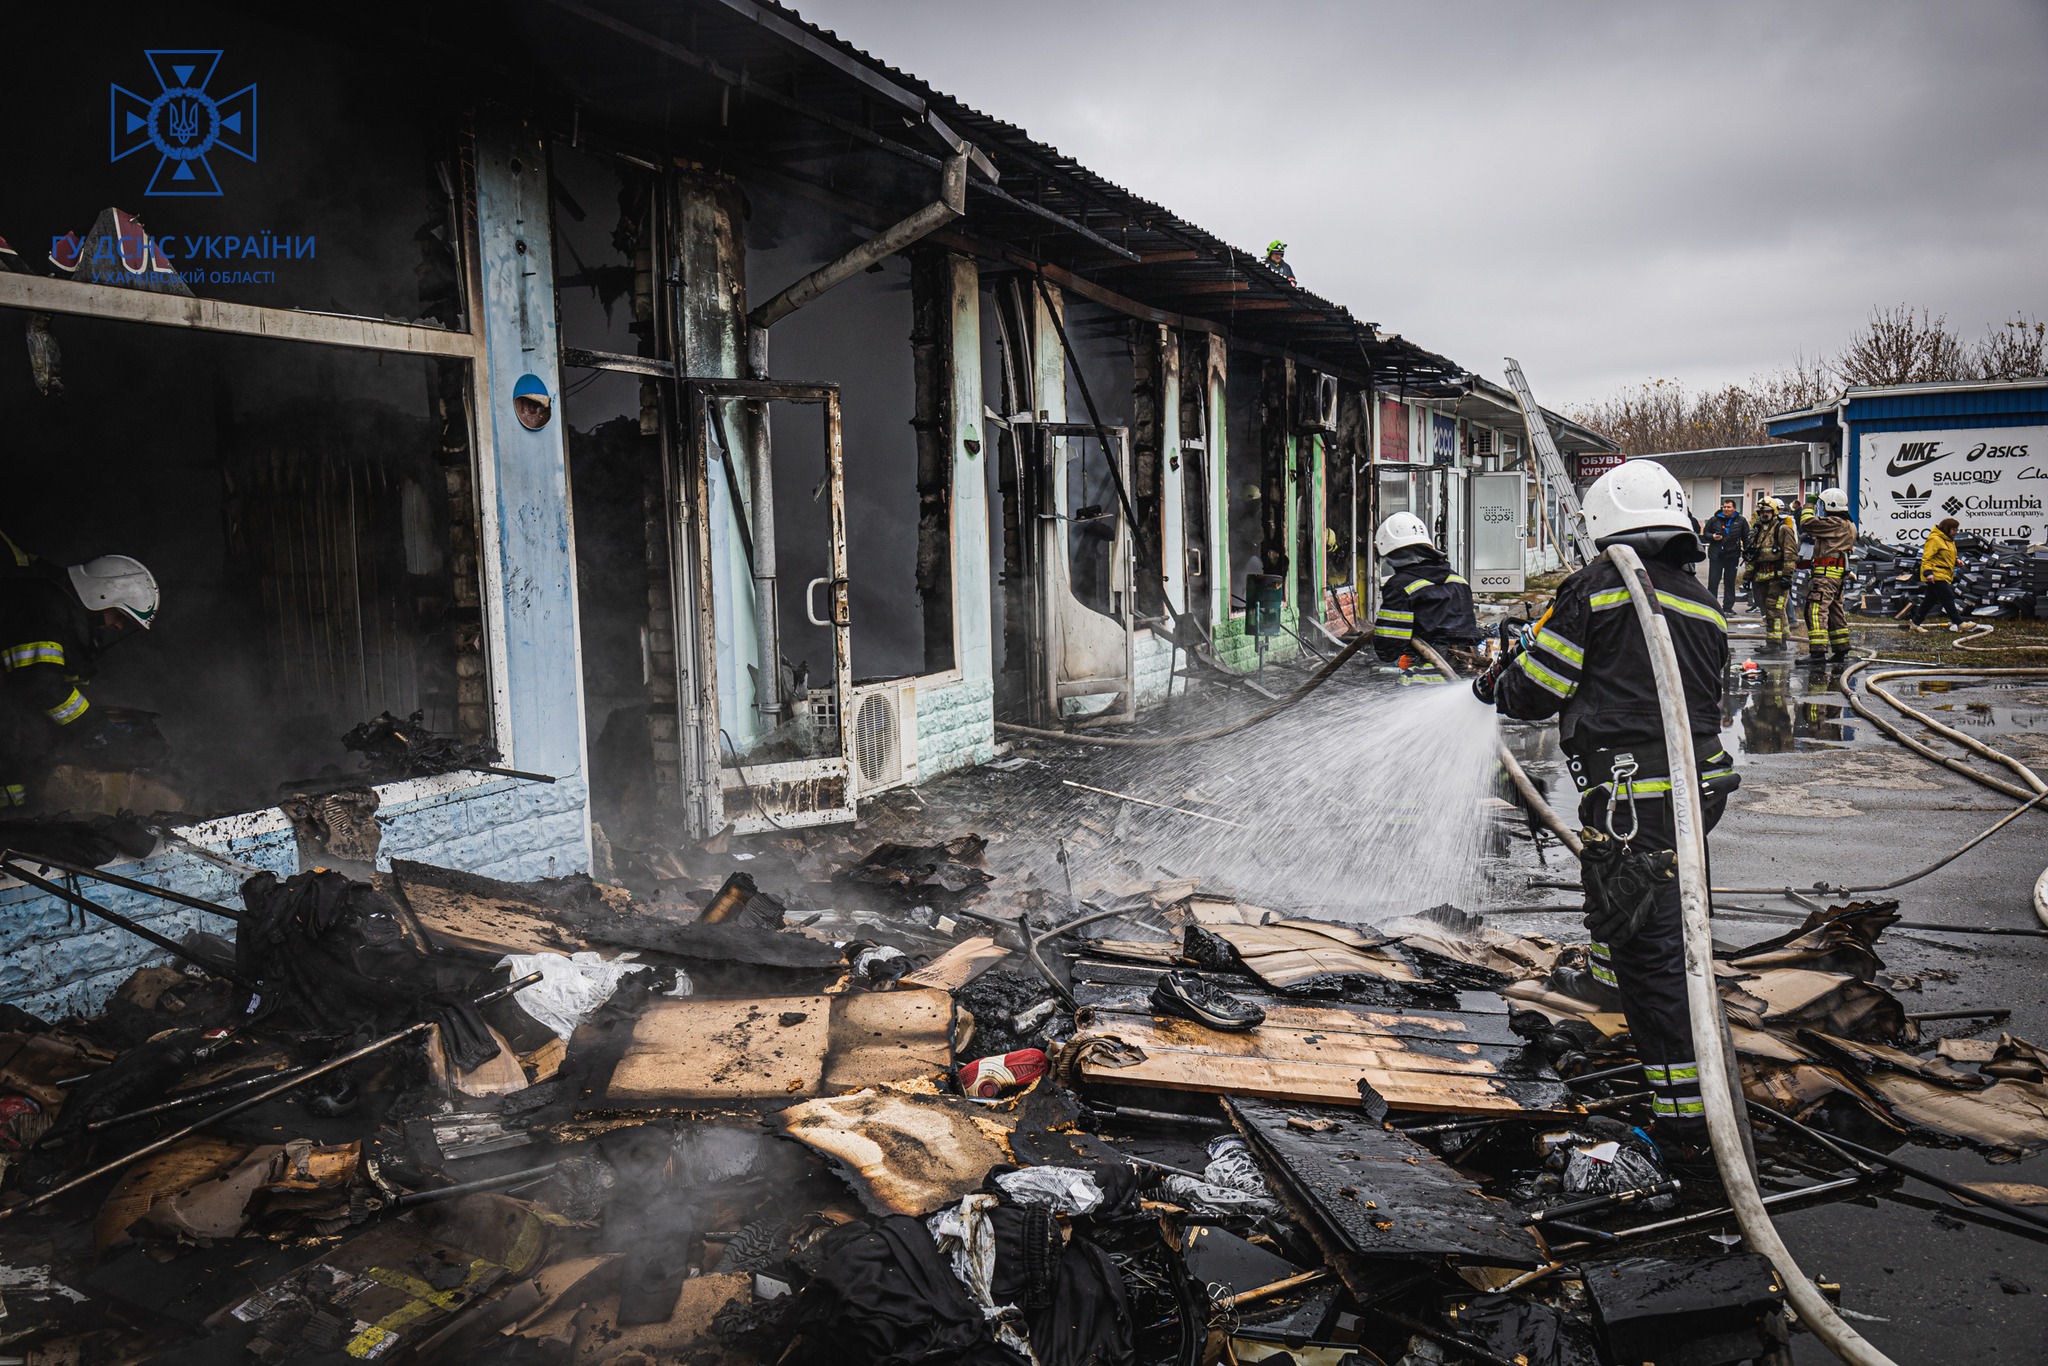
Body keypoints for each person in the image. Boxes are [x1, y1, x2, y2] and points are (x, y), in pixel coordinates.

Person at [1472, 462, 1737, 1159]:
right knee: (1649, 914)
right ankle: (1605, 981)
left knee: (1655, 951)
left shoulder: (1600, 586)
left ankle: (1682, 1127)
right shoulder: (1697, 598)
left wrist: (1505, 674)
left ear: (1602, 519)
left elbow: (1535, 692)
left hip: (1634, 799)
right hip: (1693, 789)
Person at [0, 541, 158, 808]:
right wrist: (99, 729)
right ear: (100, 595)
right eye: (119, 615)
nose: (118, 626)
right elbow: (43, 688)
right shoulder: (45, 608)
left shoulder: (53, 604)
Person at [1369, 512, 1481, 666]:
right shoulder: (1458, 581)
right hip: (1469, 667)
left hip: (1424, 677)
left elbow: (1388, 649)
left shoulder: (1400, 586)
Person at [1799, 487, 1855, 663]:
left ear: (1830, 505)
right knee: (1834, 612)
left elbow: (1806, 522)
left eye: (1823, 505)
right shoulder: (1849, 524)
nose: (1821, 509)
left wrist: (1809, 504)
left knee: (1816, 611)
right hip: (1836, 576)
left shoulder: (1835, 523)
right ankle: (1841, 650)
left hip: (1825, 577)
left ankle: (1817, 653)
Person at [1743, 496, 1799, 649]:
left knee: (1773, 609)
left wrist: (1787, 576)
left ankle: (1773, 643)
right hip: (1762, 577)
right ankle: (1783, 640)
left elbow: (1790, 554)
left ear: (1773, 511)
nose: (1764, 514)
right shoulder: (1758, 530)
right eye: (1761, 511)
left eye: (1767, 511)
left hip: (1778, 577)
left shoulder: (1782, 529)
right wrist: (1747, 578)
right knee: (1772, 609)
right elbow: (1753, 556)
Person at [1908, 517, 1968, 632]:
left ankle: (1915, 624)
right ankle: (1959, 623)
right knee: (1948, 597)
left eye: (1957, 530)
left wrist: (1956, 560)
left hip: (1944, 574)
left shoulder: (1949, 540)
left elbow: (1947, 554)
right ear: (1947, 529)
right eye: (1954, 530)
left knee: (1929, 601)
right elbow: (1927, 558)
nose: (1956, 532)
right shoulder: (1935, 539)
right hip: (1935, 575)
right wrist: (1928, 573)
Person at [1702, 498, 1748, 614]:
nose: (1726, 509)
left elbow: (1746, 537)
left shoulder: (1741, 521)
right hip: (1716, 555)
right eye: (1725, 507)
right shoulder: (1714, 520)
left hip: (1732, 556)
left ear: (1734, 509)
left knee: (1729, 582)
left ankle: (1728, 608)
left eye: (1729, 507)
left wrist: (1748, 552)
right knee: (1713, 582)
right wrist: (1712, 536)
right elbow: (1705, 533)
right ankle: (1712, 606)